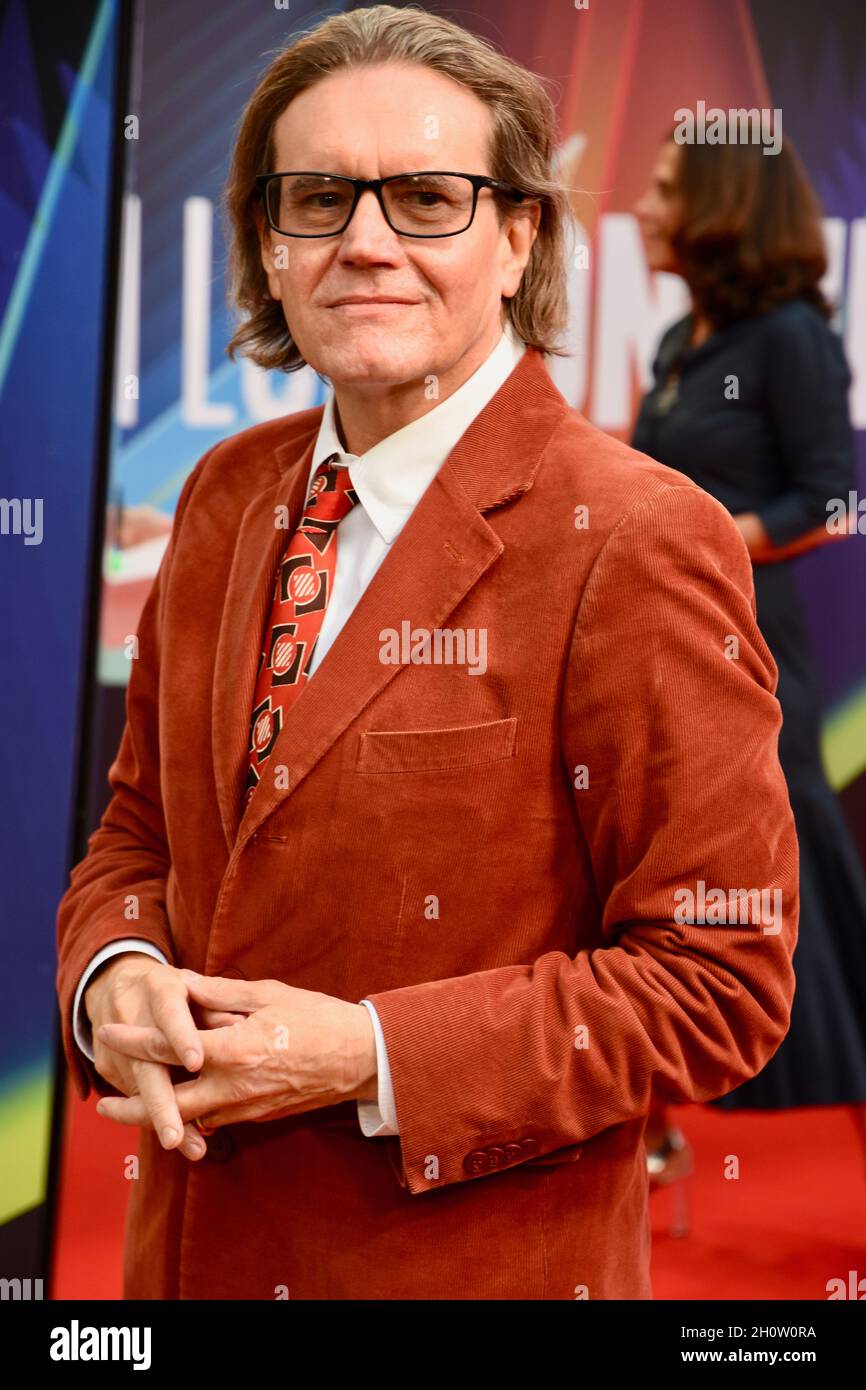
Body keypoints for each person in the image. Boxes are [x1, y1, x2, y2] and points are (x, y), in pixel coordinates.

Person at [56, 6, 798, 1300]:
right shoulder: (225, 495)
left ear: (517, 238)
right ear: (266, 247)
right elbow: (137, 836)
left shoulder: (635, 539)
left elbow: (716, 983)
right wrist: (111, 979)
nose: (364, 242)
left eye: (426, 199)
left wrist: (366, 1053)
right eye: (317, 198)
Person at [632, 128, 866, 1213]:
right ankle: (649, 1134)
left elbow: (828, 498)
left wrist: (713, 534)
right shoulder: (680, 335)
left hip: (752, 655)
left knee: (800, 882)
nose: (640, 203)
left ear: (721, 205)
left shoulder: (789, 339)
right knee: (640, 872)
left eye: (666, 186)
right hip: (654, 648)